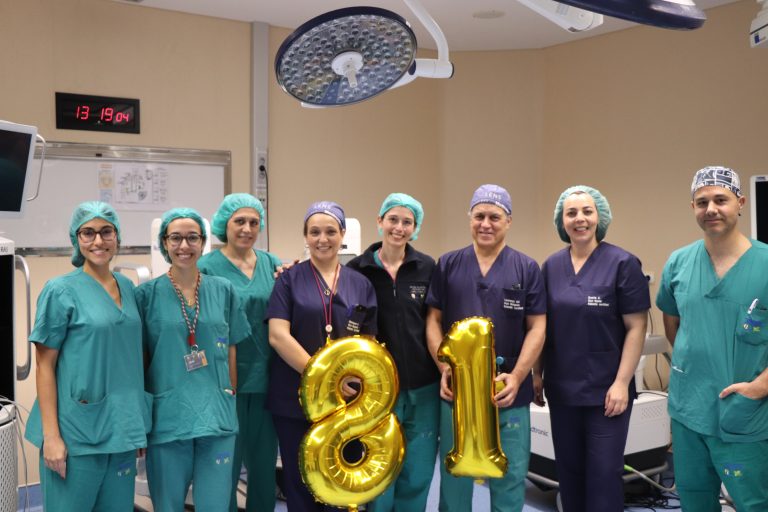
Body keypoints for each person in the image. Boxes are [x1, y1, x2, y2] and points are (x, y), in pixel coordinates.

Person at [425, 184, 546, 511]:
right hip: (458, 391)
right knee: (455, 478)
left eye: (495, 217)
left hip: (507, 391)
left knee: (510, 477)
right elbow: (433, 320)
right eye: (479, 216)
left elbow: (537, 327)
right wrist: (444, 367)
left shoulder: (526, 268)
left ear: (508, 221)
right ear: (470, 218)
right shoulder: (448, 265)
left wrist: (518, 375)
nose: (486, 224)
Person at [24, 201, 151, 511]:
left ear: (117, 236)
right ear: (76, 238)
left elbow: (130, 358)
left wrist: (135, 427)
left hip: (121, 430)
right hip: (76, 433)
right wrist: (52, 437)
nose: (98, 241)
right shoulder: (60, 291)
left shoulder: (128, 287)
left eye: (106, 231)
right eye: (88, 233)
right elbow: (44, 365)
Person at [657, 166, 768, 511]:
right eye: (702, 202)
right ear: (693, 207)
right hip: (688, 410)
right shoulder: (678, 262)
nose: (711, 209)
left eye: (721, 199)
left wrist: (761, 386)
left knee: (754, 503)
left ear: (740, 203)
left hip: (744, 413)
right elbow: (673, 321)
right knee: (694, 501)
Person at [536, 185, 649, 512]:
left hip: (607, 392)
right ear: (562, 221)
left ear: (600, 217)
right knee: (569, 473)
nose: (579, 219)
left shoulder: (622, 263)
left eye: (587, 211)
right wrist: (537, 374)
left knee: (603, 474)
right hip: (563, 389)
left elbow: (636, 326)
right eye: (571, 213)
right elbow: (541, 326)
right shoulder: (551, 267)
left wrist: (621, 382)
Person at [136, 207, 250, 512]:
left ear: (202, 242)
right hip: (168, 417)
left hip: (217, 416)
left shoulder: (223, 290)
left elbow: (232, 347)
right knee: (168, 505)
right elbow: (141, 360)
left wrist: (229, 393)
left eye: (192, 238)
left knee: (215, 505)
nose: (184, 246)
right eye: (175, 238)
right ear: (164, 243)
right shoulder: (146, 295)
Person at [266, 201, 378, 511]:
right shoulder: (288, 279)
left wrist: (344, 381)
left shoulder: (360, 284)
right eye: (314, 232)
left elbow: (368, 342)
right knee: (300, 482)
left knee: (341, 483)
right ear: (305, 236)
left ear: (342, 234)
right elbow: (278, 335)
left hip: (346, 402)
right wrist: (327, 378)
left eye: (330, 231)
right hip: (296, 398)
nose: (322, 239)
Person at [346, 193, 439, 512]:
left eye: (407, 222)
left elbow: (435, 321)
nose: (399, 228)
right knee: (379, 466)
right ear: (380, 221)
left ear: (415, 227)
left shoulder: (427, 267)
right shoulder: (357, 270)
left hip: (423, 385)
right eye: (393, 220)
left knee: (419, 469)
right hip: (378, 389)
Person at [198, 193, 282, 512]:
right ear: (225, 224)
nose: (247, 229)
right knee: (224, 466)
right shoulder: (206, 267)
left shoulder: (272, 264)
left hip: (266, 378)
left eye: (254, 222)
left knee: (263, 466)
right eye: (240, 221)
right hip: (224, 380)